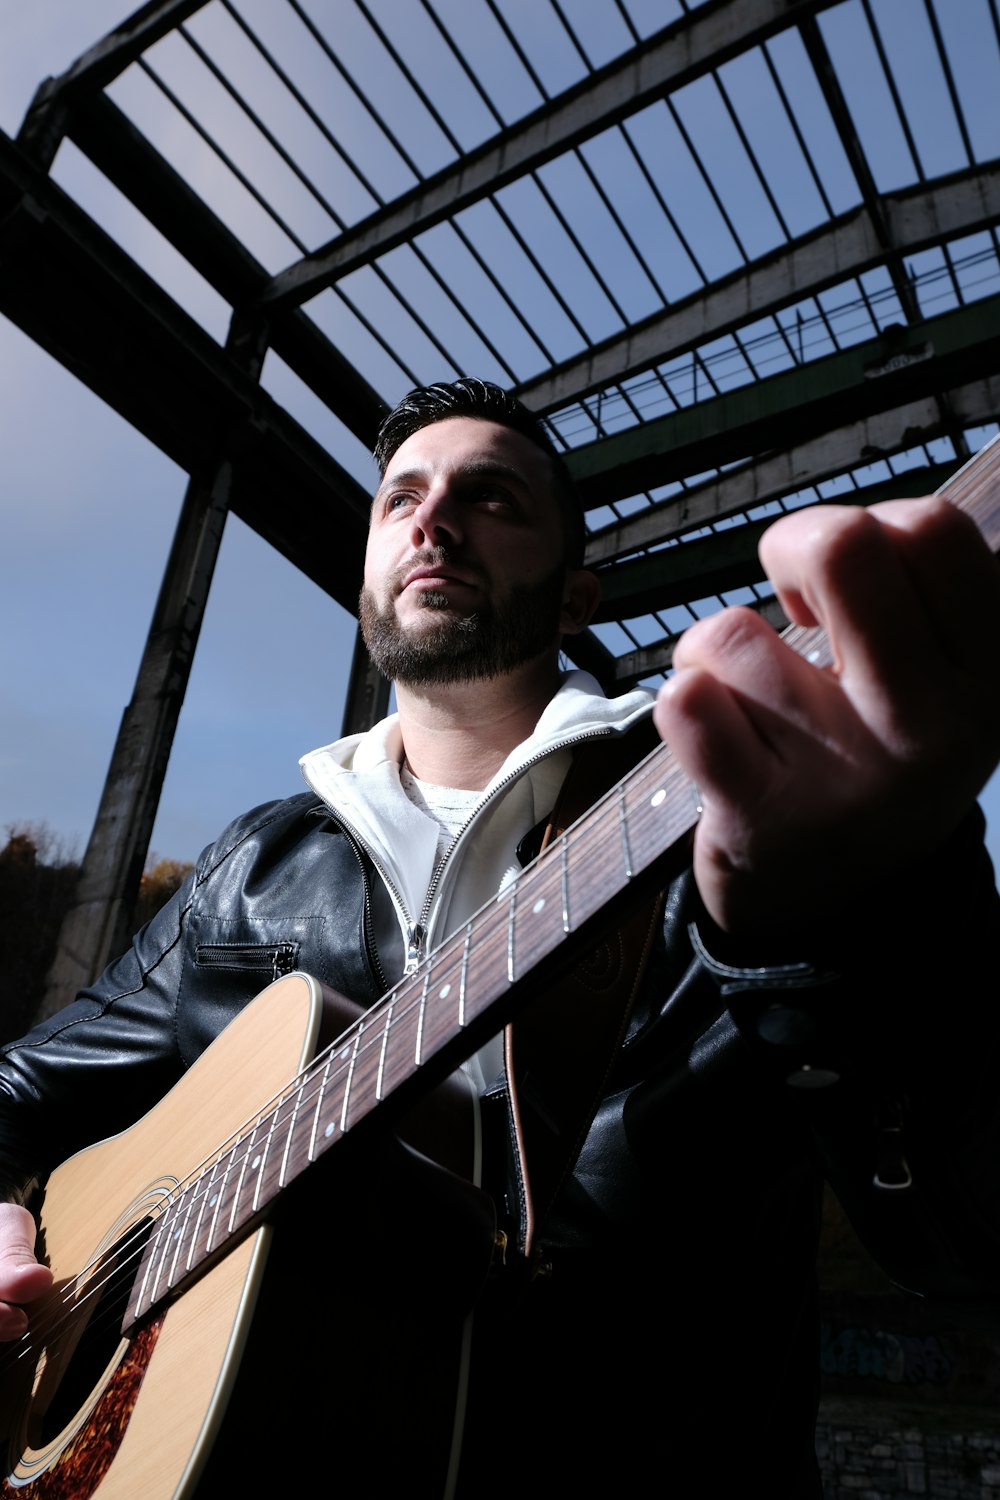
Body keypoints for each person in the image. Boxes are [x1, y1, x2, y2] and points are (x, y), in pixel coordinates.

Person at [1, 376, 999, 1497]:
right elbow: (21, 1092)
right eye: (402, 499)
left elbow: (961, 1241)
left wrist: (868, 925)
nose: (434, 521)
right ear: (368, 571)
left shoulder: (735, 806)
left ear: (574, 597)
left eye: (491, 499)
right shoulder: (250, 868)